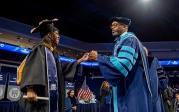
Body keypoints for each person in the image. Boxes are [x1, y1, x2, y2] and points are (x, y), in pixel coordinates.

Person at [17, 18, 89, 112]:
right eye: (56, 33)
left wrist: (80, 60)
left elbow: (61, 70)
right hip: (41, 99)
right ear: (49, 35)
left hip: (51, 99)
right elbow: (32, 69)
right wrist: (30, 89)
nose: (59, 36)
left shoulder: (53, 54)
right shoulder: (40, 49)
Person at [88, 17, 154, 112]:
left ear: (125, 26)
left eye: (115, 25)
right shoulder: (122, 41)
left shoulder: (129, 40)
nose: (112, 27)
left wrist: (99, 57)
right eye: (111, 26)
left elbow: (122, 65)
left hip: (130, 91)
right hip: (131, 89)